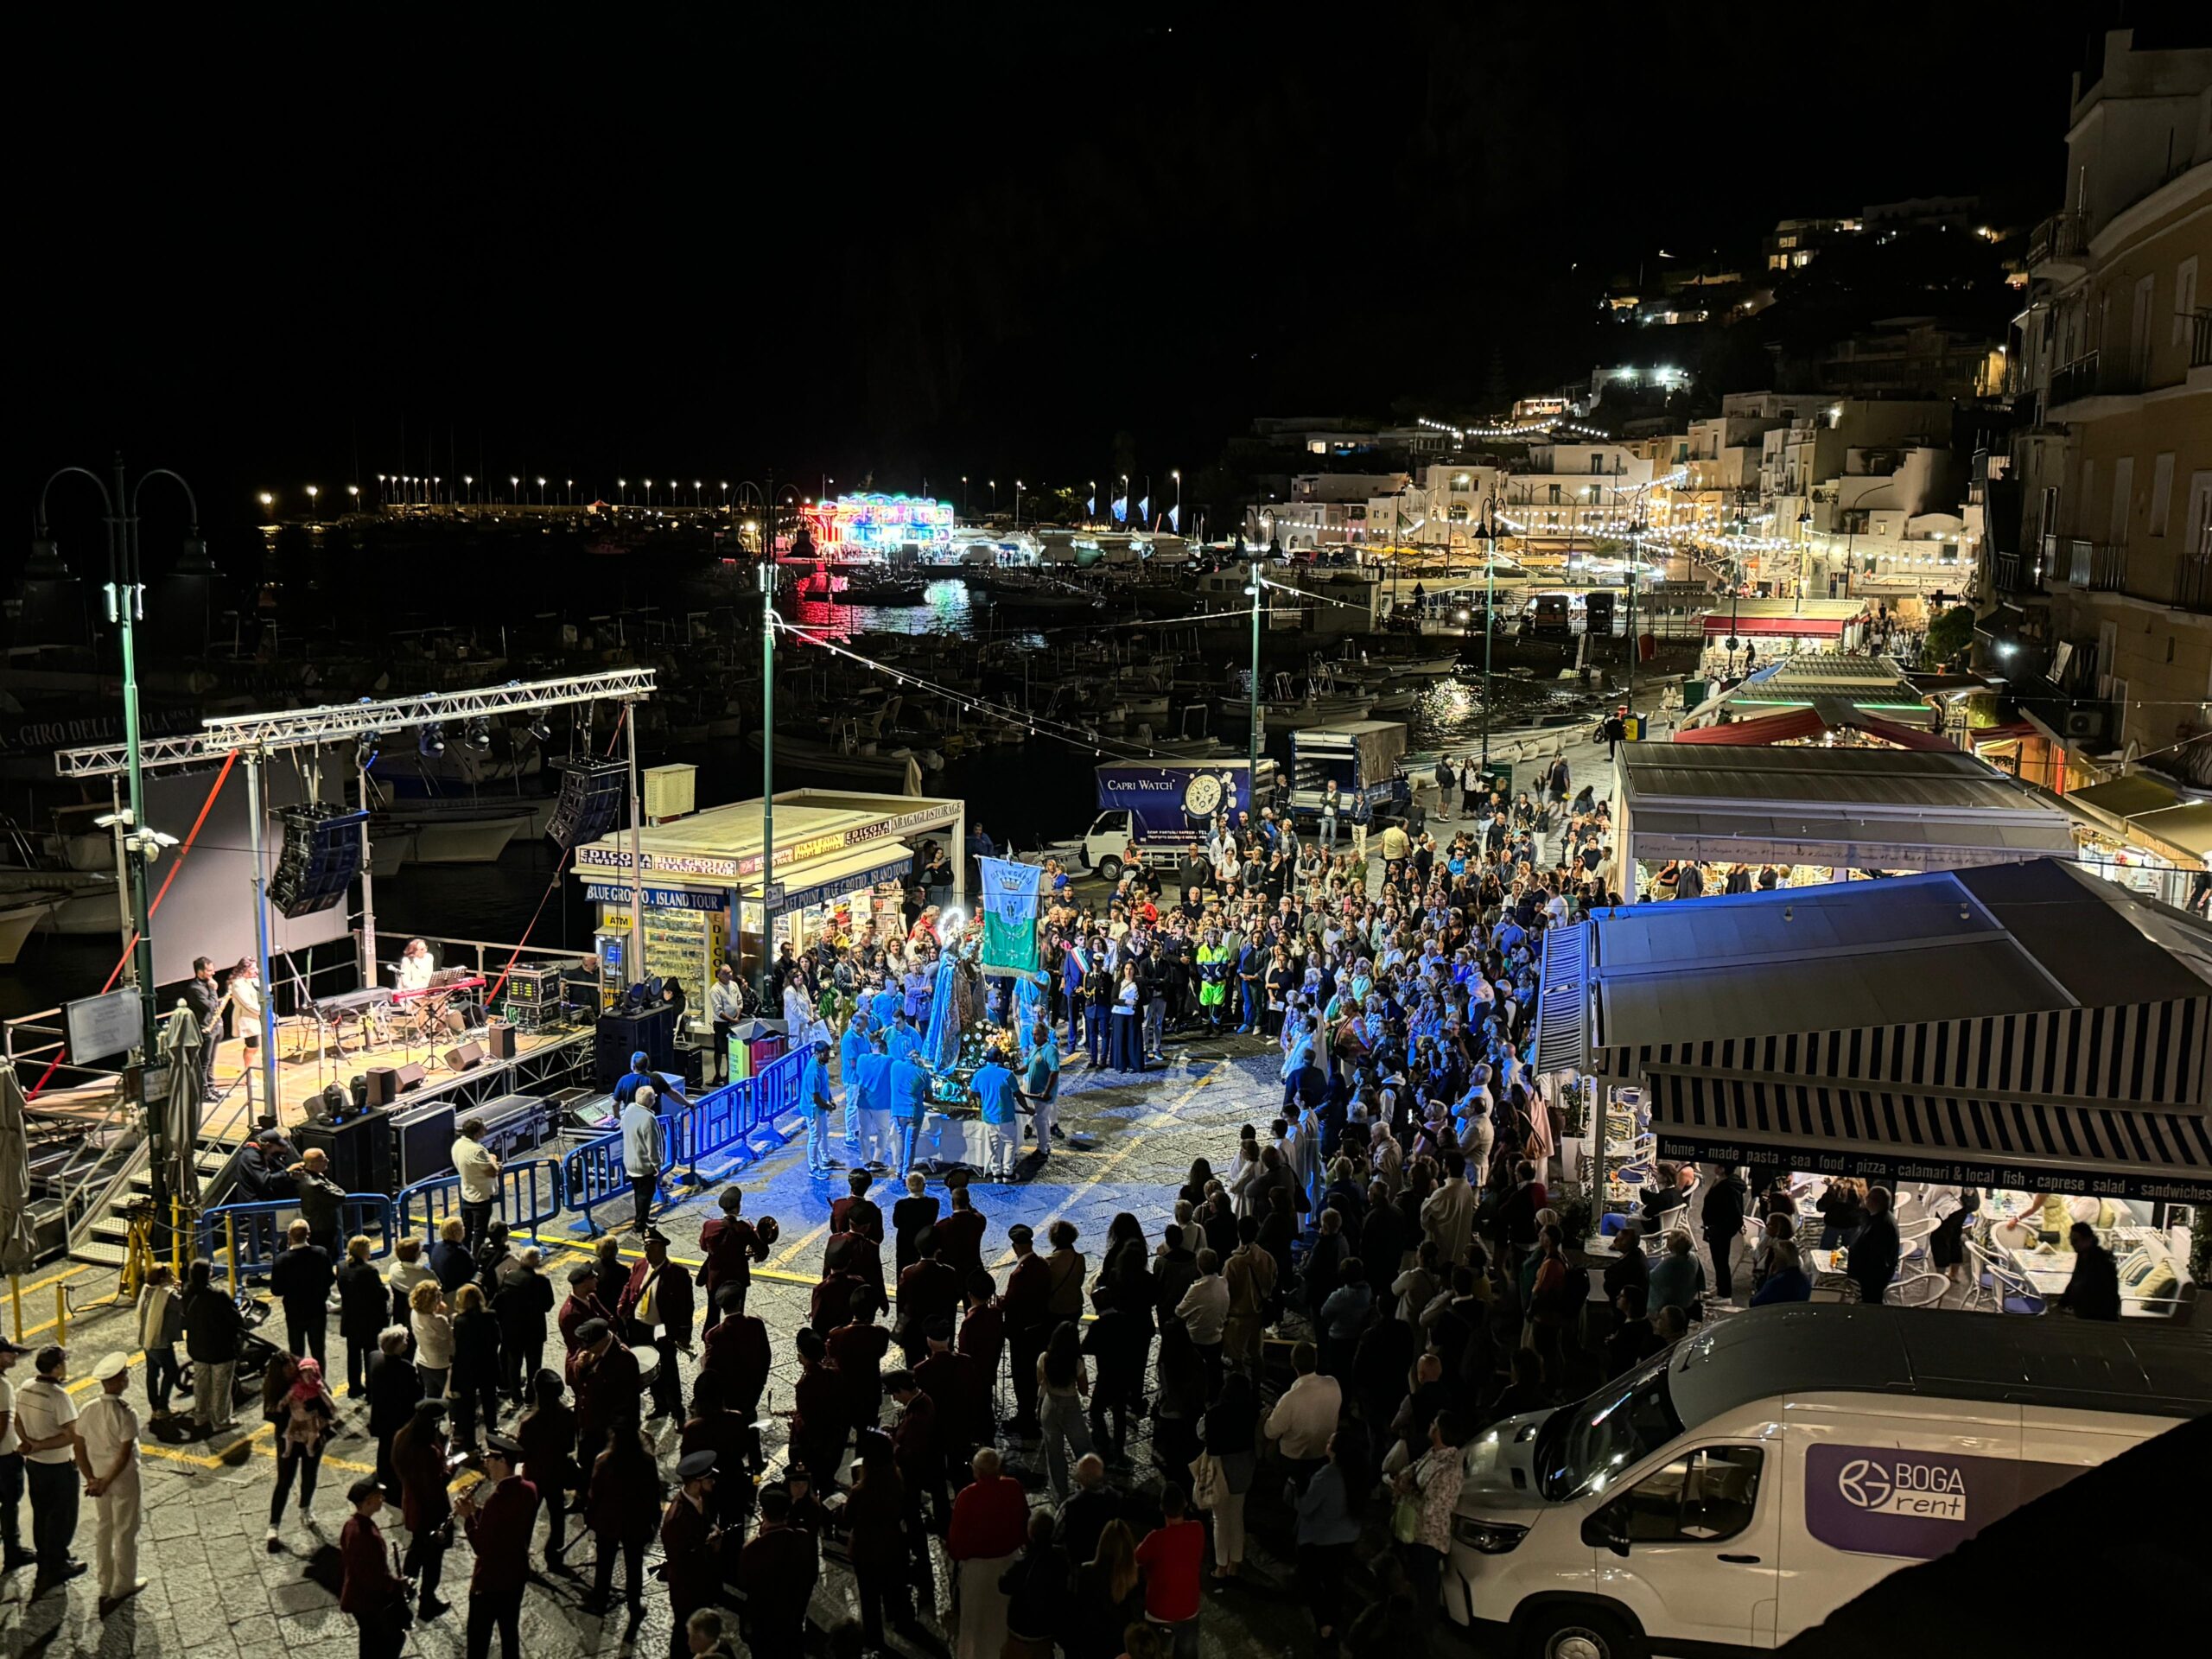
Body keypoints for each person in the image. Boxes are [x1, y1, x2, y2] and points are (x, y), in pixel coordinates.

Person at [74, 1351, 143, 1610]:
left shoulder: (87, 1409)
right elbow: (124, 1454)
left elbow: (79, 1447)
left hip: (98, 1477)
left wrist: (92, 1479)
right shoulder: (126, 1413)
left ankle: (105, 1583)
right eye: (124, 1374)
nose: (127, 1378)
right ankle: (124, 1583)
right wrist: (105, 1481)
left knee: (105, 1528)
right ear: (117, 1381)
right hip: (122, 1479)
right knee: (125, 1529)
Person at [459, 1434, 537, 1659]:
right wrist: (477, 1513)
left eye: (490, 1459)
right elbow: (508, 1527)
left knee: (478, 1641)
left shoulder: (497, 1501)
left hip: (491, 1582)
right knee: (509, 1634)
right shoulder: (529, 1489)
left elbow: (482, 1546)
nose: (486, 1463)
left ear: (503, 1461)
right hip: (516, 1575)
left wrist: (468, 1518)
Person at [15, 1344, 84, 1595]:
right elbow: (72, 1435)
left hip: (35, 1465)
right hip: (59, 1465)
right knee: (62, 1517)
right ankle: (57, 1565)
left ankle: (45, 1558)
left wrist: (28, 1444)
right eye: (63, 1362)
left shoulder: (24, 1387)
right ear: (56, 1368)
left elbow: (17, 1420)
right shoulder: (58, 1396)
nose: (66, 1366)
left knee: (42, 1513)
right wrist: (42, 1444)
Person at [949, 1446, 1027, 1659]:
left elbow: (956, 1543)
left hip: (978, 1571)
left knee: (978, 1629)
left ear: (977, 1472)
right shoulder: (1013, 1487)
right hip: (1010, 1563)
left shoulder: (967, 1496)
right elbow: (1024, 1523)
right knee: (1006, 1623)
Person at [1392, 1410, 1468, 1627]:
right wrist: (1407, 1481)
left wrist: (1406, 1491)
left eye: (1434, 1422)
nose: (1431, 1424)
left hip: (1428, 1540)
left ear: (1440, 1431)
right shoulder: (1434, 1453)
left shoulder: (1450, 1467)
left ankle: (1422, 1634)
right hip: (1413, 1532)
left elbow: (1432, 1508)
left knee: (1425, 1591)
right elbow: (1412, 1468)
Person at [1295, 1428, 1363, 1645]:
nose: (1326, 1443)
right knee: (1336, 1580)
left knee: (1313, 1581)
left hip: (1322, 1539)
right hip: (1348, 1537)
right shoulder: (1357, 1473)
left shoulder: (1326, 1476)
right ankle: (1333, 1621)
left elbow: (1306, 1508)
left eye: (1330, 1442)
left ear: (1335, 1451)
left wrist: (1296, 1494)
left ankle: (1324, 1625)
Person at [619, 1228, 694, 1421]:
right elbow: (630, 1287)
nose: (647, 1251)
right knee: (648, 1369)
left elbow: (686, 1307)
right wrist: (623, 1304)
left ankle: (678, 1413)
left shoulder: (677, 1274)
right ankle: (660, 1405)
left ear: (662, 1248)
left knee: (669, 1372)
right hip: (639, 1328)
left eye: (651, 1247)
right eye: (646, 1247)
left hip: (662, 1331)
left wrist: (685, 1335)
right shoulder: (639, 1266)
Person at [735, 1483, 818, 1659]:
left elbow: (744, 1583)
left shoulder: (752, 1549)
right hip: (792, 1616)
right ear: (787, 1514)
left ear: (763, 1514)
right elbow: (810, 1575)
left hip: (764, 1622)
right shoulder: (802, 1539)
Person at [267, 1354, 338, 1546]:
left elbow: (328, 1400)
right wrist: (290, 1411)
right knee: (284, 1480)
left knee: (310, 1474)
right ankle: (274, 1525)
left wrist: (311, 1407)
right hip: (289, 1433)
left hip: (314, 1431)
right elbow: (270, 1412)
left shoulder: (310, 1373)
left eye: (291, 1366)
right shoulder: (276, 1386)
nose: (291, 1371)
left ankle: (305, 1507)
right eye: (285, 1370)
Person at [393, 1399, 454, 1618]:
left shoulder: (402, 1438)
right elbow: (437, 1483)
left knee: (417, 1549)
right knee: (433, 1559)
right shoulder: (427, 1452)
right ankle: (428, 1600)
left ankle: (406, 1587)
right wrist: (451, 1467)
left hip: (412, 1504)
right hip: (432, 1512)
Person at [340, 1477, 410, 1659]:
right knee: (390, 1641)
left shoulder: (351, 1525)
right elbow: (374, 1576)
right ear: (368, 1502)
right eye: (379, 1496)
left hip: (357, 1597)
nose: (383, 1499)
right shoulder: (367, 1535)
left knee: (369, 1641)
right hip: (368, 1602)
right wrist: (397, 1585)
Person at [1134, 1484, 1206, 1659]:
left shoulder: (1155, 1539)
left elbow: (1137, 1558)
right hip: (1189, 1606)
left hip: (1160, 1610)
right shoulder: (1197, 1529)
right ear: (1185, 1505)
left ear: (1162, 1508)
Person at [1200, 1371, 1258, 1580]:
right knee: (1236, 1515)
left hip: (1219, 1468)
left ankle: (1220, 1566)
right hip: (1243, 1467)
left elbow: (1201, 1432)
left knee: (1219, 1519)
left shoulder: (1215, 1413)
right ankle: (1235, 1562)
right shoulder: (1252, 1411)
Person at [1264, 1341, 1340, 1491]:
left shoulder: (1290, 1398)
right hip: (1324, 1451)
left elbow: (1270, 1432)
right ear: (1316, 1361)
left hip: (1295, 1458)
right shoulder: (1333, 1383)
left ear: (1293, 1364)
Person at [181, 1257, 244, 1434]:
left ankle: (201, 1416)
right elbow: (236, 1320)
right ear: (209, 1274)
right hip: (220, 1349)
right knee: (220, 1386)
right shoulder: (218, 1296)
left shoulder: (187, 1292)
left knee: (201, 1383)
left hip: (198, 1347)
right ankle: (221, 1420)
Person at [1067, 1518, 1144, 1659]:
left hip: (1090, 1646)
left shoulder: (1084, 1573)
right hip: (1121, 1649)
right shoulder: (1136, 1578)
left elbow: (1074, 1614)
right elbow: (1137, 1618)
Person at [1001, 1507, 1071, 1659]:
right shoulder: (1060, 1558)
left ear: (1031, 1533)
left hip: (1023, 1631)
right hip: (1046, 1629)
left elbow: (1004, 1584)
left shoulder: (1024, 1562)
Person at [1036, 1320, 1094, 1499]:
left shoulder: (1044, 1358)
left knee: (1054, 1454)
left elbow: (1040, 1381)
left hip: (1049, 1405)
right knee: (1083, 1448)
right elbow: (1084, 1391)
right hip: (1070, 1406)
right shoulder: (1076, 1362)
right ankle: (1089, 1486)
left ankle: (1060, 1495)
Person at [365, 1327, 420, 1496]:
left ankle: (383, 1474)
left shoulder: (374, 1358)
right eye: (404, 1340)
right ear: (397, 1346)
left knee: (384, 1445)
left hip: (381, 1412)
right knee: (398, 1446)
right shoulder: (406, 1369)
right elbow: (416, 1393)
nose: (406, 1342)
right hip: (399, 1415)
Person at [134, 1264, 186, 1421]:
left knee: (152, 1373)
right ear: (163, 1278)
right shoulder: (167, 1294)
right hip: (160, 1342)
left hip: (147, 1339)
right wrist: (180, 1289)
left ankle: (155, 1407)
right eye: (170, 1274)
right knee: (171, 1371)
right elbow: (183, 1304)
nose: (173, 1275)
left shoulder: (148, 1289)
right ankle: (163, 1408)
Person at [450, 1116, 503, 1258]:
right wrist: (493, 1160)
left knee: (466, 1231)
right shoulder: (477, 1150)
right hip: (480, 1196)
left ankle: (464, 1256)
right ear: (477, 1132)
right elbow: (492, 1172)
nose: (486, 1130)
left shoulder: (458, 1144)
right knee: (479, 1232)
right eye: (483, 1128)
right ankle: (476, 1259)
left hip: (467, 1193)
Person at [971, 1044, 1023, 1180]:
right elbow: (1017, 1094)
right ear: (999, 1058)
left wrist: (983, 1096)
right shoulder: (1007, 1074)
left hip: (988, 1116)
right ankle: (1008, 1172)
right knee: (1010, 1143)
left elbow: (972, 1092)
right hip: (1005, 1115)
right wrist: (1027, 1109)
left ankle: (996, 1172)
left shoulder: (979, 1074)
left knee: (993, 1145)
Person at [288, 1147, 349, 1257]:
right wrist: (325, 1180)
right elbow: (340, 1196)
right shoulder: (315, 1184)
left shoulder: (304, 1177)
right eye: (323, 1159)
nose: (327, 1161)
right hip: (322, 1230)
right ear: (312, 1164)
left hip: (318, 1226)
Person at [1701, 1164, 1749, 1303]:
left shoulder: (1729, 1187)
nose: (1714, 1167)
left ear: (1722, 1168)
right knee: (1718, 1261)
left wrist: (1722, 1228)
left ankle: (1725, 1295)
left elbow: (1736, 1212)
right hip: (1715, 1228)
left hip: (1721, 1230)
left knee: (1721, 1261)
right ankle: (1720, 1287)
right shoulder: (1721, 1181)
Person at [621, 1084, 665, 1225]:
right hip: (643, 1164)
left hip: (630, 1160)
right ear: (651, 1101)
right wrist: (657, 1164)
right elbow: (652, 1145)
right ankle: (640, 1223)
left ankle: (643, 1217)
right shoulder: (648, 1118)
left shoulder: (629, 1109)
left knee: (638, 1192)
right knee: (645, 1195)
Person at [2059, 1222, 2122, 1320]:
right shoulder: (2083, 1254)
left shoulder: (2101, 1262)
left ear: (2088, 1239)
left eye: (2075, 1241)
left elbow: (2095, 1291)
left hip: (2098, 1312)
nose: (2072, 1244)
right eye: (2071, 1240)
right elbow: (2075, 1280)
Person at [1851, 1185, 1901, 1306]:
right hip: (1870, 1276)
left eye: (1867, 1198)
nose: (1865, 1200)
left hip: (1873, 1279)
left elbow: (1876, 1256)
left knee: (1870, 1305)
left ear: (1874, 1202)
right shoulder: (1879, 1217)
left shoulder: (1882, 1225)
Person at [410, 1279, 454, 1399]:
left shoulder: (414, 1312)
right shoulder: (438, 1321)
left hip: (423, 1360)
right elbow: (450, 1339)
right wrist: (446, 1316)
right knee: (451, 1396)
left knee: (432, 1394)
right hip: (440, 1364)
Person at [1647, 1230, 1706, 1319]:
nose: (1667, 1239)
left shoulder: (1670, 1264)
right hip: (1687, 1298)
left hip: (1672, 1300)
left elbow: (1651, 1277)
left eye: (1669, 1239)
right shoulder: (1693, 1257)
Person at [709, 963, 744, 1083]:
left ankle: (731, 1072)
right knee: (719, 1049)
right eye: (726, 973)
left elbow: (739, 1001)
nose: (730, 975)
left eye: (730, 972)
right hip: (722, 1024)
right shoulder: (715, 990)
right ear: (719, 975)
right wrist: (731, 1019)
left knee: (732, 1049)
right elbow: (718, 1010)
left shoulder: (734, 985)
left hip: (734, 1021)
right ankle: (717, 1074)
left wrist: (737, 1016)